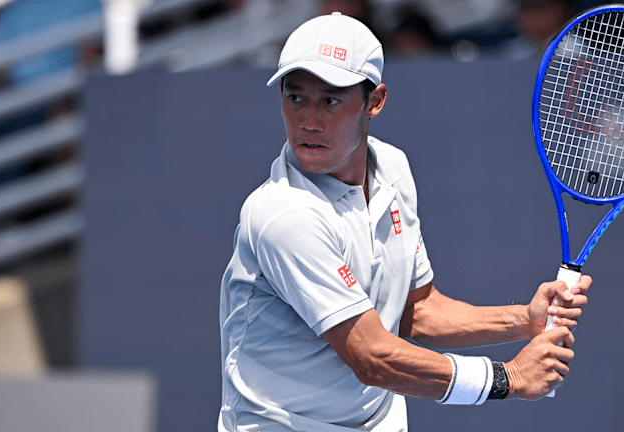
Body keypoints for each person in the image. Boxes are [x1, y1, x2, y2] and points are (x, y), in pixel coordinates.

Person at [219, 11, 591, 431]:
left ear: (374, 101)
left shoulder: (392, 168)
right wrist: (509, 377)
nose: (308, 120)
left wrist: (523, 319)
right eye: (295, 96)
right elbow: (373, 357)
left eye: (330, 100)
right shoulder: (283, 215)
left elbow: (416, 309)